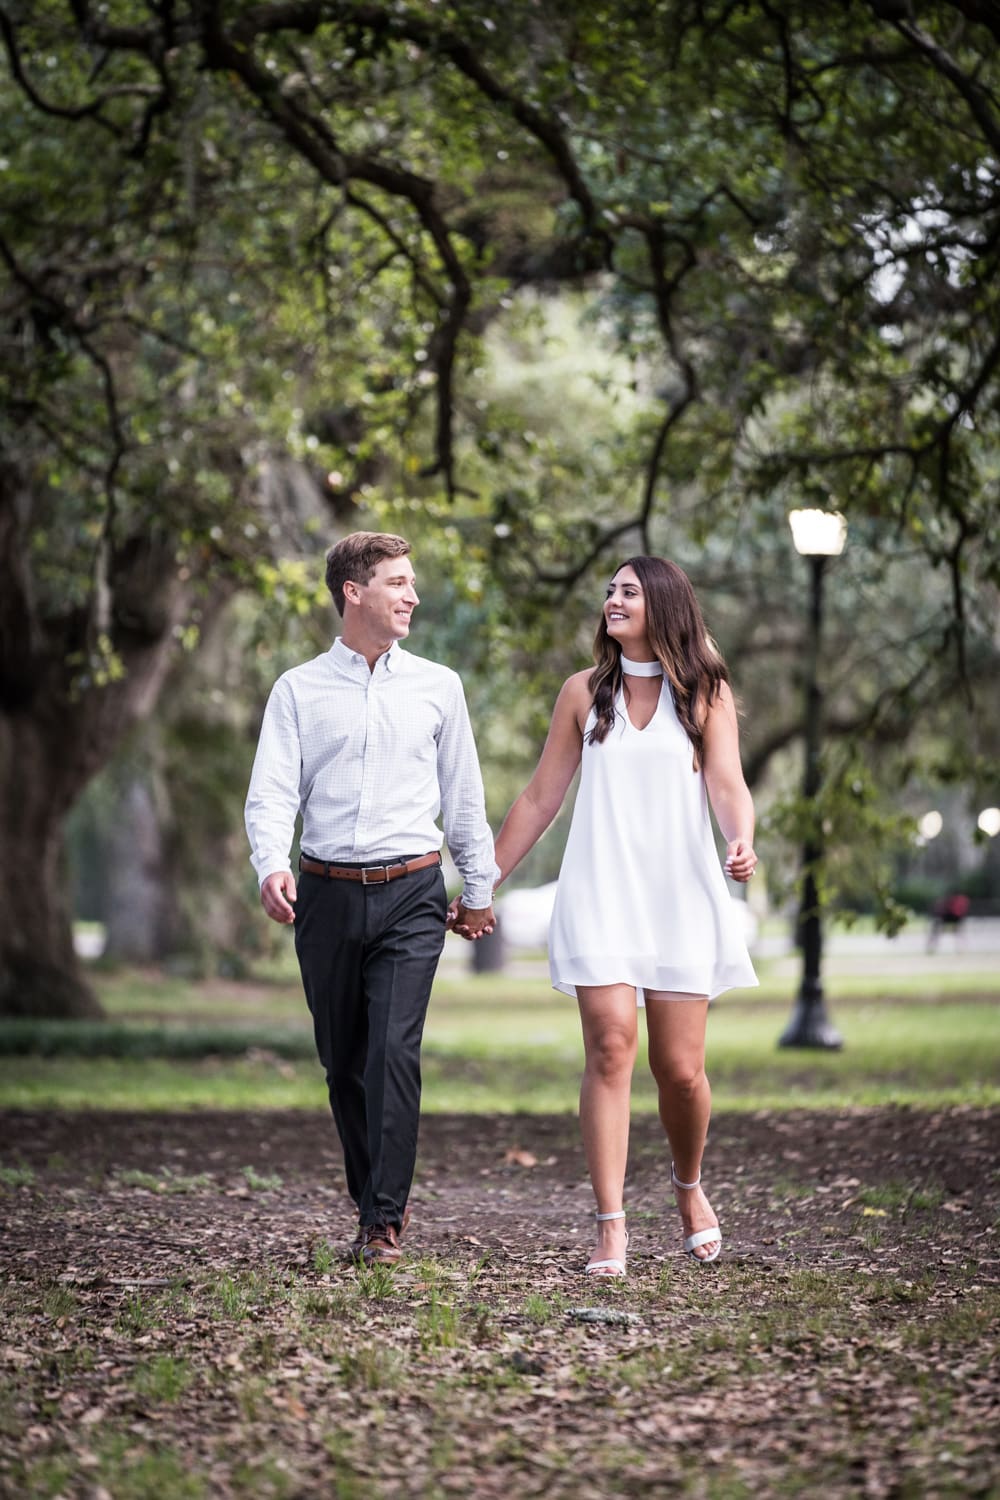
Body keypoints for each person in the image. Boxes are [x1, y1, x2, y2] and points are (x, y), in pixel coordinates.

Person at [482, 556, 758, 1276]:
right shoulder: (583, 693)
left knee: (681, 1071)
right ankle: (611, 1226)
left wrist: (741, 839)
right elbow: (541, 799)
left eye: (628, 591)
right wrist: (482, 882)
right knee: (609, 1049)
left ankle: (689, 1188)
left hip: (679, 897)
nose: (612, 600)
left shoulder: (705, 690)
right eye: (609, 590)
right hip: (601, 892)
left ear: (663, 605)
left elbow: (727, 785)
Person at [245, 531, 496, 1267]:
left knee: (392, 1051)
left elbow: (464, 798)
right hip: (323, 892)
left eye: (412, 582)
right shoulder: (297, 689)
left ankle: (382, 1221)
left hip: (413, 892)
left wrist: (476, 890)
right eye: (397, 582)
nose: (412, 595)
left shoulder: (438, 686)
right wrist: (270, 865)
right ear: (353, 592)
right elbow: (270, 794)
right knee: (343, 1061)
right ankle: (371, 1198)